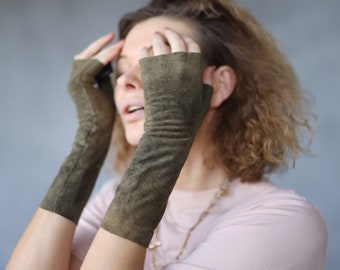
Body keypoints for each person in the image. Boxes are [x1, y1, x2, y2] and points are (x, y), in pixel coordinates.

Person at [7, 0, 328, 269]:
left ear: (218, 86)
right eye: (120, 70)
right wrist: (87, 145)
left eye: (156, 64)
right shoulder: (112, 196)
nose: (124, 82)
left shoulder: (285, 222)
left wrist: (165, 135)